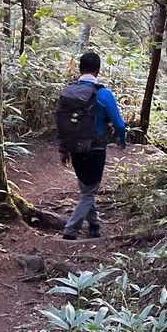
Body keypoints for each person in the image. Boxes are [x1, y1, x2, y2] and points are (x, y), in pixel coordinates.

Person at [55, 50, 127, 241]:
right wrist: (121, 140)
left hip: (74, 148)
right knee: (89, 192)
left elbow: (62, 123)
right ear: (97, 70)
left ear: (80, 69)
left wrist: (64, 149)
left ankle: (94, 225)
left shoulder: (69, 92)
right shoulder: (103, 94)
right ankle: (70, 230)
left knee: (86, 188)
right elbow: (119, 125)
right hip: (95, 149)